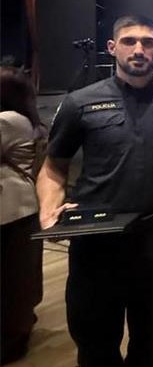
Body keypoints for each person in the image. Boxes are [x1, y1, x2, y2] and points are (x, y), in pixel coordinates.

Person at [36, 15, 153, 366]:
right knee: (95, 344)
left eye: (147, 42)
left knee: (151, 343)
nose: (139, 50)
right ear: (112, 47)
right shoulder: (80, 102)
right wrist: (49, 212)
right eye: (129, 41)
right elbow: (53, 167)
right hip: (96, 241)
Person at [0, 67, 44, 364]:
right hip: (22, 208)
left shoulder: (6, 120)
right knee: (20, 275)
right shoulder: (26, 119)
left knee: (11, 279)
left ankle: (12, 338)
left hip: (10, 209)